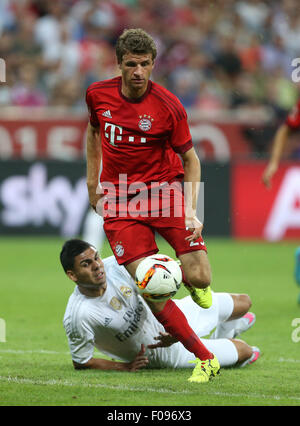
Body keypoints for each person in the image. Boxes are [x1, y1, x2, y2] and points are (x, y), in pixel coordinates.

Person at [85, 28, 218, 382]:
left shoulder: (169, 105)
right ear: (119, 65)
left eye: (145, 64)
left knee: (199, 275)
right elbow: (94, 131)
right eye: (131, 64)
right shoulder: (97, 95)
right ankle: (205, 358)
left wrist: (192, 210)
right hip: (119, 200)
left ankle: (197, 286)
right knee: (151, 285)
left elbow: (191, 160)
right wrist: (92, 181)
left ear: (153, 64)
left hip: (164, 192)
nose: (138, 72)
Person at [60, 239, 260, 377]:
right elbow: (82, 361)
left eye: (96, 257)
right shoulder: (79, 315)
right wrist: (125, 367)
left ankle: (226, 331)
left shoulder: (116, 265)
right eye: (86, 264)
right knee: (245, 350)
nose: (97, 265)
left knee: (244, 302)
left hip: (172, 318)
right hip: (165, 353)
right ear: (72, 275)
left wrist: (175, 328)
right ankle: (229, 336)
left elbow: (154, 275)